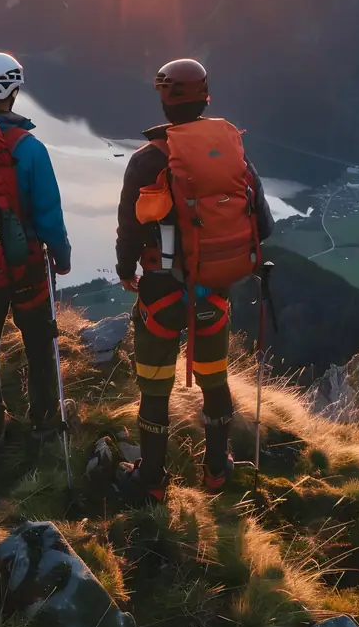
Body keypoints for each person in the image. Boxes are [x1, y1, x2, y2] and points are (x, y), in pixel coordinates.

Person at [115, 58, 274, 504]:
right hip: (214, 292)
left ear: (164, 100)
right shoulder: (232, 150)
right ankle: (217, 471)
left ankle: (151, 480)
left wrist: (127, 270)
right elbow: (263, 226)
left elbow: (129, 229)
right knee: (214, 379)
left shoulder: (148, 161)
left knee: (154, 386)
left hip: (161, 293)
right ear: (207, 96)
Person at [0, 52, 71, 450]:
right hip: (24, 264)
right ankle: (43, 421)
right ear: (13, 90)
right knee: (39, 340)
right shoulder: (29, 148)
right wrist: (62, 253)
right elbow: (47, 212)